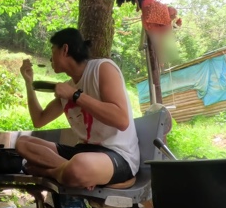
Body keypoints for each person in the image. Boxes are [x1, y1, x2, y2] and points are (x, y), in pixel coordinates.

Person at [16, 28, 140, 190]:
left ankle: (53, 172)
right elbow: (39, 120)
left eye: (52, 51)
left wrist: (76, 95)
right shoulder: (67, 87)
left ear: (65, 50)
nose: (50, 58)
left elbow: (122, 120)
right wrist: (28, 83)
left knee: (80, 165)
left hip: (117, 156)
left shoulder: (102, 69)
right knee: (23, 143)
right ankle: (69, 172)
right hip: (82, 153)